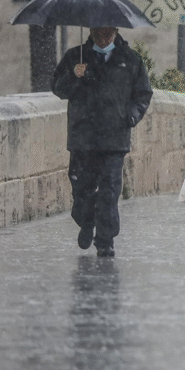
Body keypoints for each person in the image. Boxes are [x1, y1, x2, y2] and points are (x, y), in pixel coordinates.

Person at [51, 26, 153, 258]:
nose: (103, 37)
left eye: (107, 32)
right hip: (82, 137)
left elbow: (143, 94)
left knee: (109, 190)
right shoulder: (75, 57)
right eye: (99, 32)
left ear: (116, 31)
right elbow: (58, 88)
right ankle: (86, 221)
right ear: (91, 30)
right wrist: (73, 76)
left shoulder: (130, 60)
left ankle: (105, 240)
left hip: (114, 139)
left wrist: (131, 115)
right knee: (82, 190)